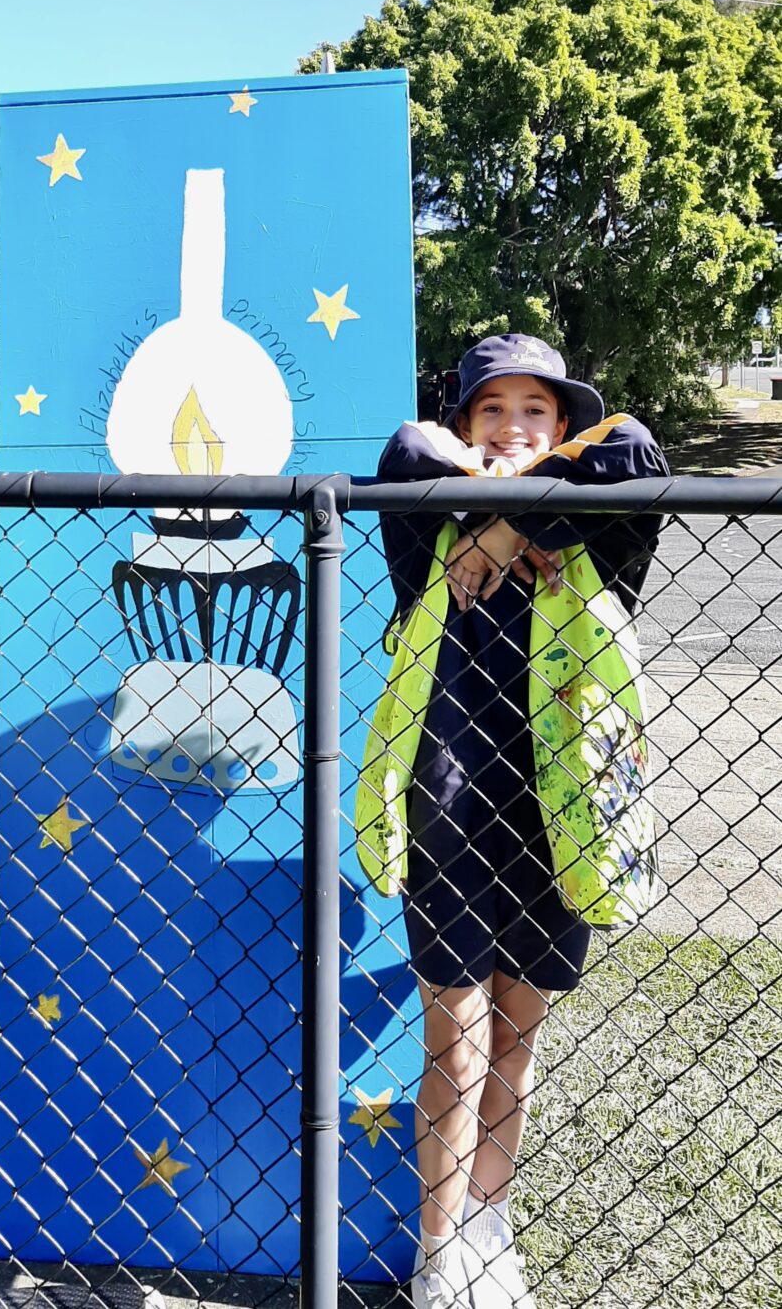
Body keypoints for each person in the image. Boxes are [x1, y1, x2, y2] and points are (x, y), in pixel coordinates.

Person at [356, 334, 668, 1309]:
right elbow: (406, 449)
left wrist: (523, 512)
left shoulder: (598, 538)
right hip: (448, 822)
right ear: (465, 425)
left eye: (535, 410)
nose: (511, 427)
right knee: (455, 1037)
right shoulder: (428, 532)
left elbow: (636, 450)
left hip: (559, 831)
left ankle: (492, 1226)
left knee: (517, 1040)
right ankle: (441, 1249)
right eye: (489, 411)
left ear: (561, 425)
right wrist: (486, 523)